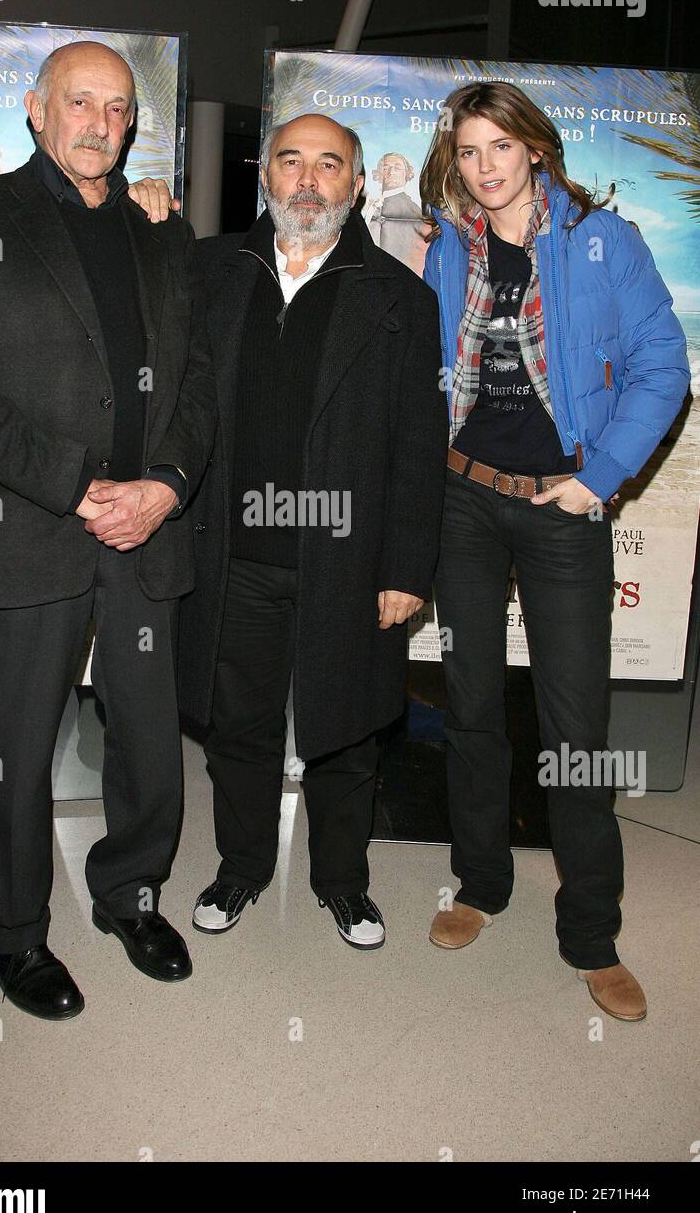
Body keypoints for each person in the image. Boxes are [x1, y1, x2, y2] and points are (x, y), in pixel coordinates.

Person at [0, 40, 215, 1021]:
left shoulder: (164, 233)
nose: (98, 121)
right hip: (32, 525)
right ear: (36, 110)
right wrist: (81, 485)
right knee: (9, 746)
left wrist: (166, 486)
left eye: (117, 107)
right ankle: (8, 928)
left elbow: (199, 384)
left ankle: (127, 892)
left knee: (147, 740)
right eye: (78, 101)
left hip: (146, 533)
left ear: (133, 124)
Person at [421, 81, 690, 1021]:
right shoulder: (449, 247)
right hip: (463, 501)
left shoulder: (604, 242)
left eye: (501, 147)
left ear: (536, 148)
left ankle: (591, 933)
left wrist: (602, 474)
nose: (485, 167)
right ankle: (481, 885)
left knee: (578, 730)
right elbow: (426, 370)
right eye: (468, 151)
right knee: (471, 705)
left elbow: (665, 367)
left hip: (563, 510)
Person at [176, 113, 448, 949]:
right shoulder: (210, 269)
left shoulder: (401, 298)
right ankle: (242, 868)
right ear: (266, 175)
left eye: (329, 164)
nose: (307, 179)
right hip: (236, 553)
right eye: (290, 160)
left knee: (346, 728)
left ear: (357, 184)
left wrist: (405, 567)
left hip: (349, 559)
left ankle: (343, 883)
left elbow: (416, 446)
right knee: (239, 728)